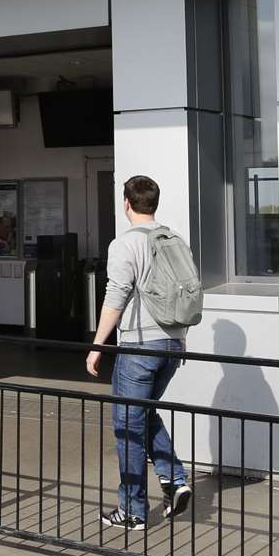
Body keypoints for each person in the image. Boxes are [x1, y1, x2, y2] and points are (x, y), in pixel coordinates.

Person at [85, 175, 193, 529]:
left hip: (139, 347)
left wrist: (97, 345)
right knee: (142, 416)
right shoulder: (175, 239)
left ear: (126, 203)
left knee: (127, 427)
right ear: (155, 203)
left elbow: (115, 296)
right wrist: (180, 340)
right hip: (173, 345)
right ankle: (174, 480)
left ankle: (132, 511)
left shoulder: (126, 243)